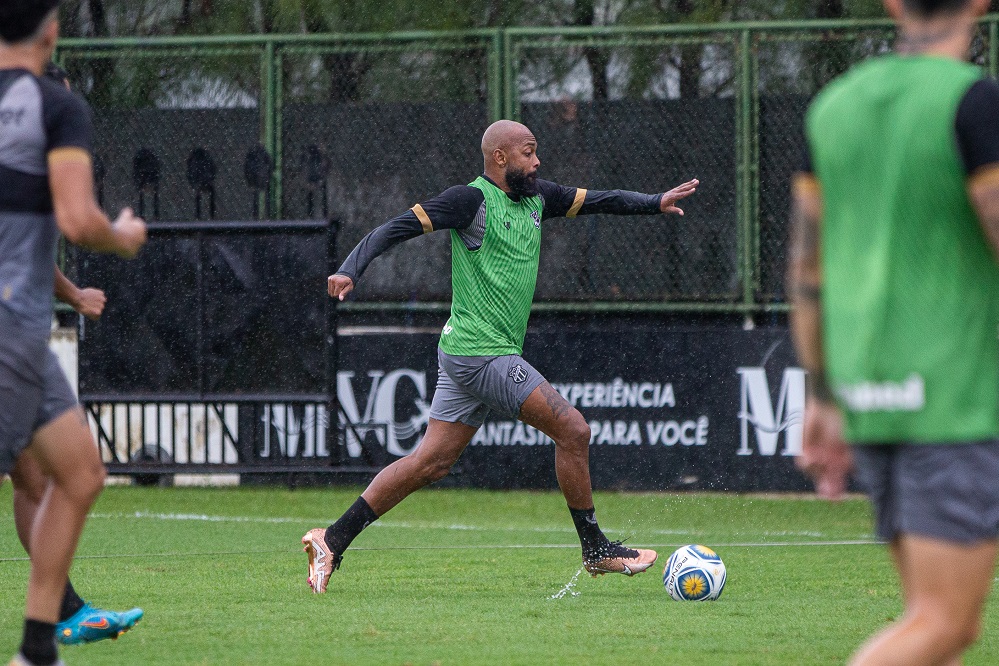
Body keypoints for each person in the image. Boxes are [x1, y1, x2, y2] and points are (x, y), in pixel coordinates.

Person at [301, 118, 698, 593]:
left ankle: (332, 539)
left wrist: (655, 203)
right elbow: (396, 227)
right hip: (480, 353)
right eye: (529, 152)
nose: (537, 161)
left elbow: (600, 201)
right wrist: (349, 270)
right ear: (501, 158)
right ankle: (596, 549)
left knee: (430, 464)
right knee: (574, 430)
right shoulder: (469, 200)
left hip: (469, 353)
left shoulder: (538, 197)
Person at [788, 0, 999, 663]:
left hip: (872, 392)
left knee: (929, 623)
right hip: (954, 398)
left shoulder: (833, 107)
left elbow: (804, 269)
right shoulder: (973, 103)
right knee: (943, 623)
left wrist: (822, 395)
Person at [0, 2, 148, 665]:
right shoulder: (57, 107)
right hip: (10, 323)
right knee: (53, 477)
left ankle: (42, 643)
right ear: (52, 29)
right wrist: (123, 234)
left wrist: (70, 292)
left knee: (77, 474)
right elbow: (78, 219)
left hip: (20, 322)